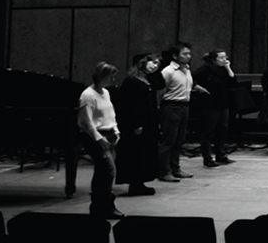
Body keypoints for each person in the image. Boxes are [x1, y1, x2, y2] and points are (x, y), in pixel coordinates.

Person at [78, 61, 123, 219]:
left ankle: (98, 207)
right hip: (97, 137)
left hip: (109, 134)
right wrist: (98, 138)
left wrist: (116, 130)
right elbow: (86, 122)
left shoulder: (105, 92)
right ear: (102, 76)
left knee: (101, 172)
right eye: (111, 76)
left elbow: (111, 114)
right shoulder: (88, 95)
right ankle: (106, 205)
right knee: (109, 171)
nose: (113, 79)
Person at [113, 52, 163, 196]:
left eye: (157, 64)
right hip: (137, 122)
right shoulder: (131, 80)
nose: (155, 66)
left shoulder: (148, 79)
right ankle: (135, 183)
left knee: (145, 152)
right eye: (152, 62)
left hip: (149, 120)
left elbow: (161, 84)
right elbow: (128, 104)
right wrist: (136, 124)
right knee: (136, 153)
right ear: (142, 63)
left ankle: (140, 181)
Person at [158, 41, 202, 182]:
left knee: (179, 140)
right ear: (175, 56)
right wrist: (159, 108)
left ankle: (175, 168)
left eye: (189, 54)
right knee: (169, 140)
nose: (188, 56)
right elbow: (160, 91)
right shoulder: (168, 71)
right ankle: (164, 171)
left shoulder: (187, 69)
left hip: (184, 106)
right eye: (184, 54)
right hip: (171, 106)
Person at [194, 50, 236, 167]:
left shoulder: (223, 70)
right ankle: (207, 158)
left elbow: (233, 82)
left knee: (222, 130)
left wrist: (228, 68)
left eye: (225, 57)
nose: (225, 60)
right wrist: (200, 89)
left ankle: (221, 155)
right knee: (208, 132)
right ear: (214, 60)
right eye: (221, 58)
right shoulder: (204, 70)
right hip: (209, 104)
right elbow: (191, 79)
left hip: (223, 103)